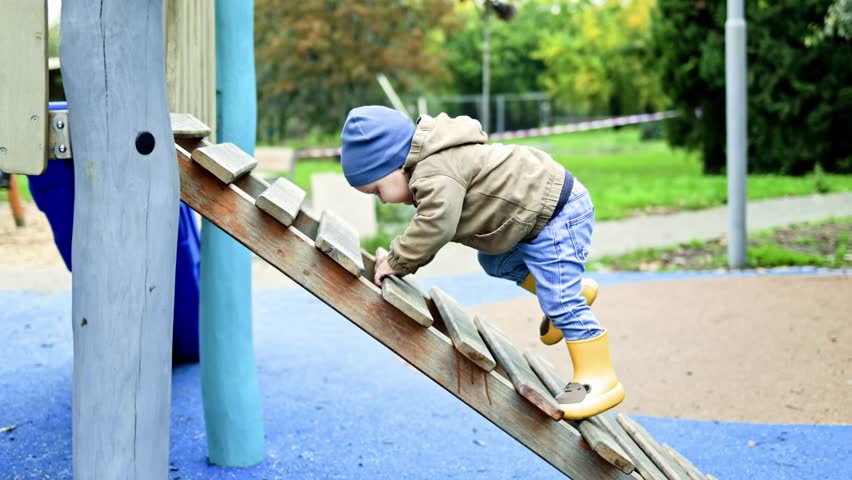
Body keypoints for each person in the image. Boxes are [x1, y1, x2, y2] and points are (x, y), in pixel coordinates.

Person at [340, 105, 623, 420]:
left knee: (560, 299)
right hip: (535, 217)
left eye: (377, 189)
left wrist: (397, 260)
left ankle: (599, 377)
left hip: (557, 213)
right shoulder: (430, 162)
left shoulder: (435, 169)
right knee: (495, 262)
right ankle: (574, 291)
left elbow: (437, 224)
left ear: (394, 163)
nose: (382, 199)